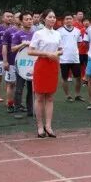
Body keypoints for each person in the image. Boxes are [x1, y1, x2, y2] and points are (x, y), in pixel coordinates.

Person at [28, 10, 62, 138]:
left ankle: (48, 126)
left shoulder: (57, 34)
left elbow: (61, 50)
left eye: (54, 17)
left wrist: (56, 53)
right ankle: (40, 126)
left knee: (50, 97)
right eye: (50, 17)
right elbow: (30, 51)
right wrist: (46, 54)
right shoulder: (38, 33)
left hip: (53, 65)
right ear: (44, 19)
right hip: (41, 64)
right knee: (39, 97)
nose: (52, 19)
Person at [12, 12, 35, 119]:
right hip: (21, 65)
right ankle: (17, 109)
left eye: (30, 19)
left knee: (31, 89)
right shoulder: (17, 34)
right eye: (26, 19)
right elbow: (12, 49)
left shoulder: (36, 34)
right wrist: (23, 44)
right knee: (19, 88)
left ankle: (30, 110)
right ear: (21, 21)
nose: (29, 21)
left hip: (32, 65)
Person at [58, 13, 84, 102]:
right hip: (63, 59)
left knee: (78, 77)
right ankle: (68, 96)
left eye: (70, 18)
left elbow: (79, 43)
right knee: (64, 78)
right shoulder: (59, 31)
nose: (69, 20)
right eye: (67, 19)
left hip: (75, 58)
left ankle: (77, 95)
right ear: (64, 20)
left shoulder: (77, 31)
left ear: (73, 20)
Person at [2, 12, 21, 111]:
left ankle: (18, 104)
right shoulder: (8, 31)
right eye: (18, 17)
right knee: (11, 83)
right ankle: (10, 104)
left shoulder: (28, 31)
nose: (20, 19)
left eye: (21, 17)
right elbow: (4, 47)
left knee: (20, 85)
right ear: (14, 19)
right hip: (11, 61)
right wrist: (5, 61)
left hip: (23, 63)